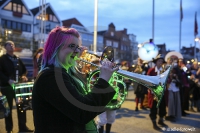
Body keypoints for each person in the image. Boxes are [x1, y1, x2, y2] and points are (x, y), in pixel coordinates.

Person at [32, 26, 119, 133]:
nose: (76, 51)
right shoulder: (50, 76)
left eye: (78, 47)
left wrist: (76, 52)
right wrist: (103, 80)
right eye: (72, 46)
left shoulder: (63, 73)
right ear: (56, 48)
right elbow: (82, 111)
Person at [0, 41, 33, 133]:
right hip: (6, 87)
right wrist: (8, 80)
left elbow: (24, 70)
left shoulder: (17, 59)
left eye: (13, 45)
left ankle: (23, 128)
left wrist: (23, 76)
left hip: (18, 87)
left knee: (21, 107)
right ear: (5, 47)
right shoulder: (2, 59)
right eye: (9, 45)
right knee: (8, 109)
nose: (11, 46)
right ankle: (9, 129)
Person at [147, 54, 168, 131]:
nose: (161, 62)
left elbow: (167, 80)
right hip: (153, 93)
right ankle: (154, 123)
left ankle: (161, 120)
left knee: (162, 107)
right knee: (153, 108)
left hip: (162, 92)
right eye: (159, 61)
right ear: (156, 62)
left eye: (162, 61)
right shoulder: (151, 70)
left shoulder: (164, 71)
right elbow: (148, 81)